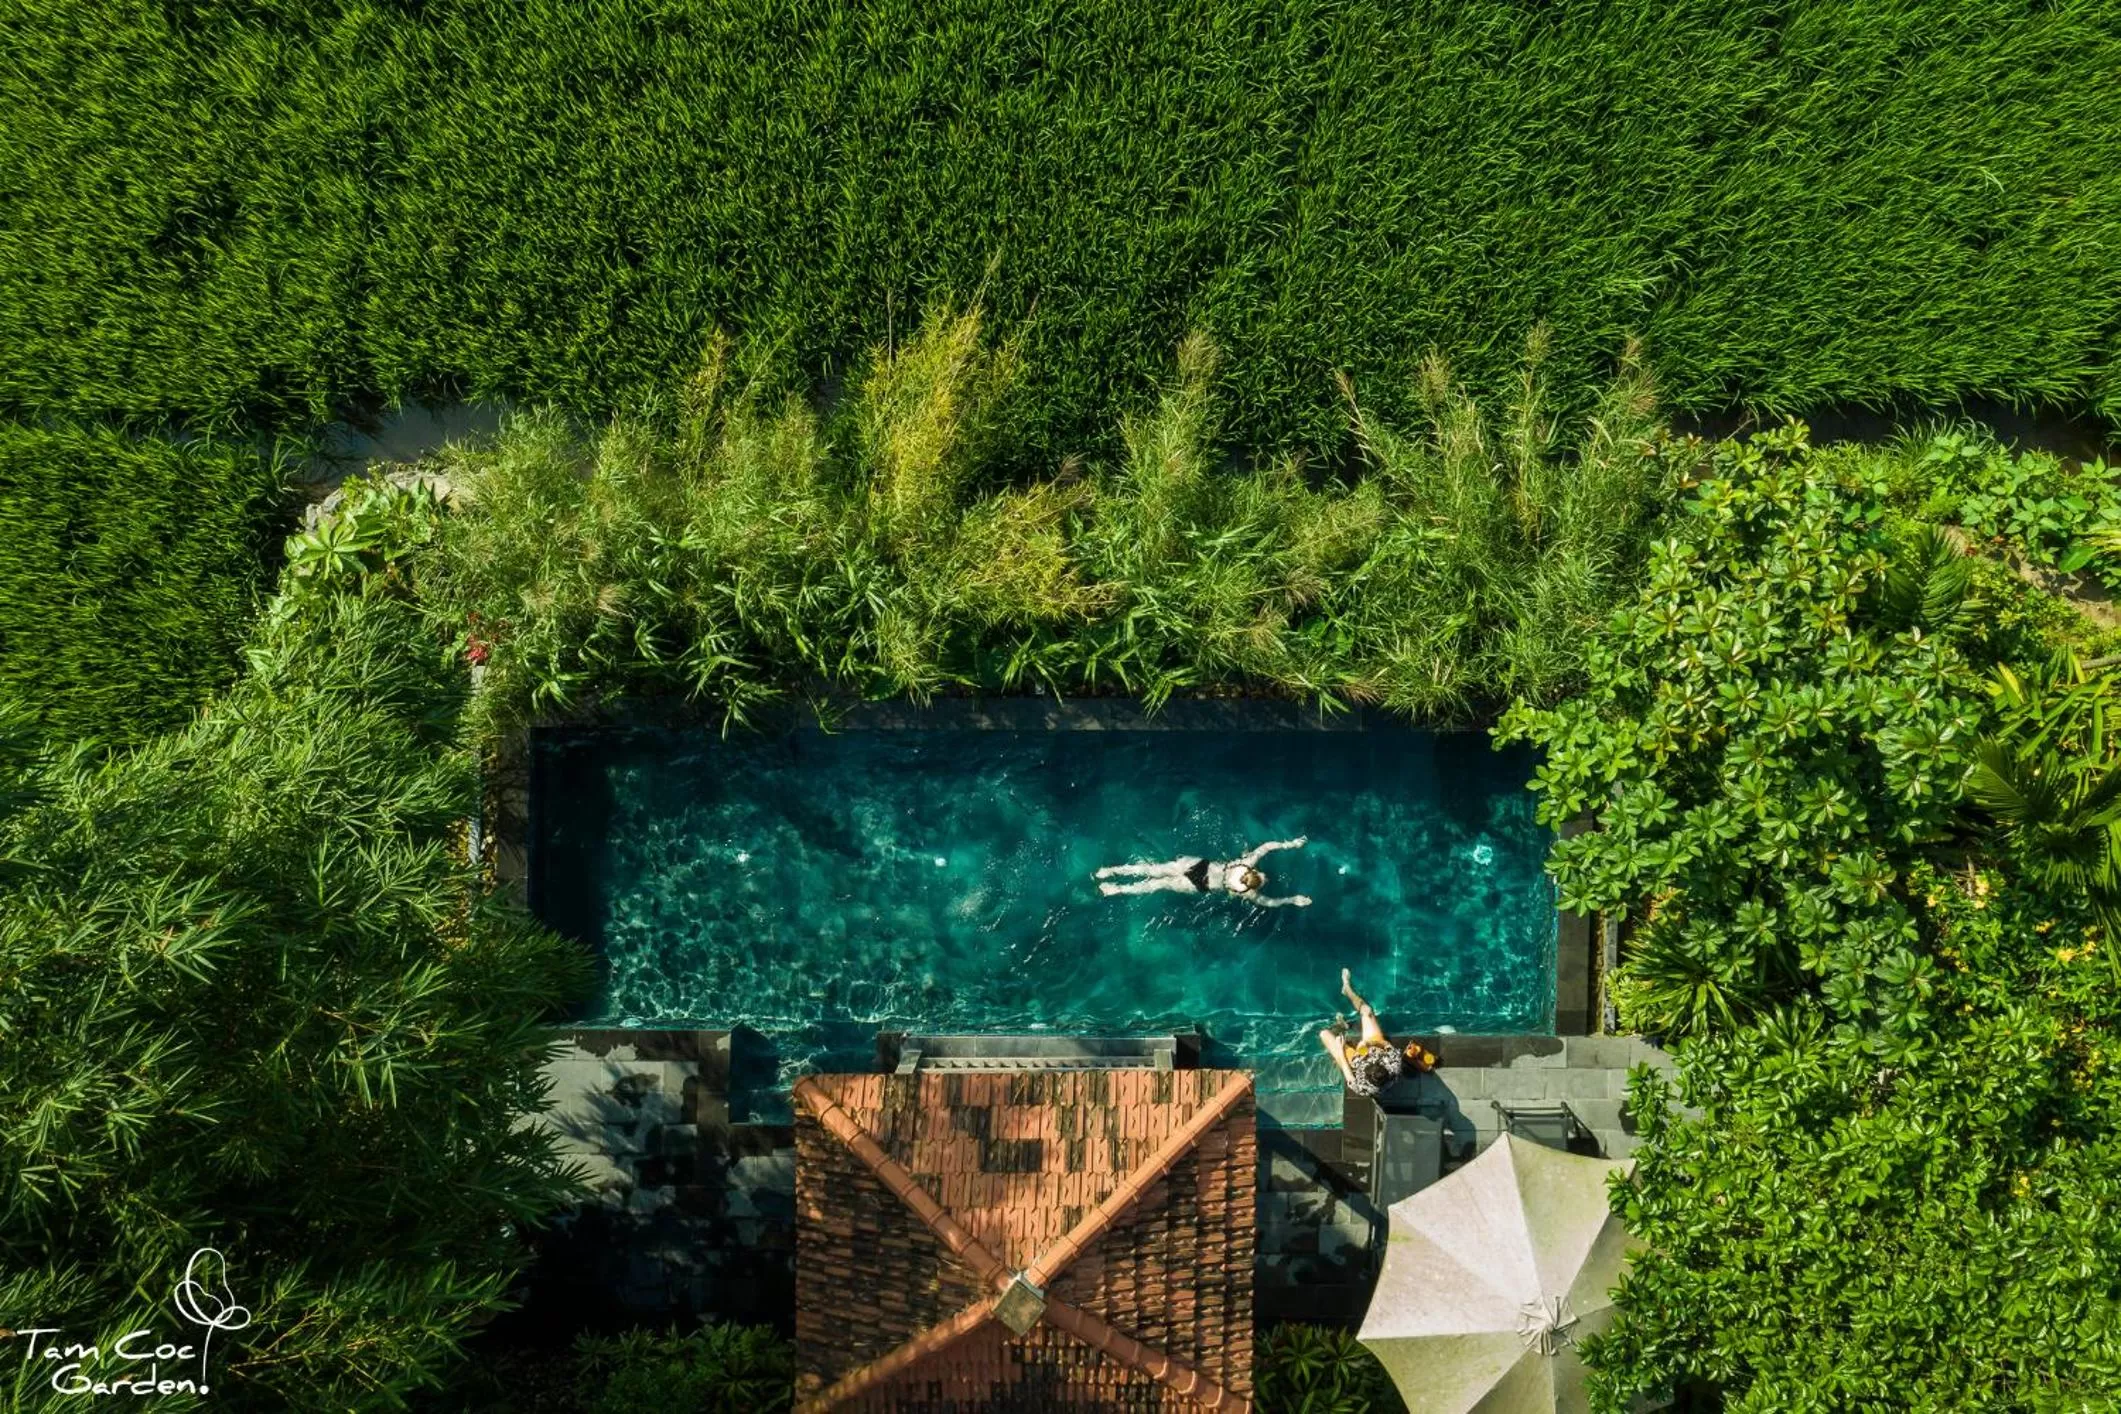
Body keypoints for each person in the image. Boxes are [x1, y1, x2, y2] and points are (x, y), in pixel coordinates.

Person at [1094, 836, 1311, 907]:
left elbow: (1267, 846)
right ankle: (1116, 890)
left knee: (1153, 869)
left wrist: (1290, 844)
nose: (1265, 878)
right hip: (1200, 885)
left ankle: (1109, 871)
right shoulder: (1248, 893)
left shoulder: (1246, 862)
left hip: (1197, 866)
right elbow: (1270, 903)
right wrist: (1293, 899)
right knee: (1156, 884)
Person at [1318, 968, 1432, 1098]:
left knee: (1324, 1034)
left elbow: (1347, 1072)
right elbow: (1386, 1045)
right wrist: (1368, 1042)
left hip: (1354, 1060)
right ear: (1382, 1065)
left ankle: (1341, 1027)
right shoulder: (1394, 1065)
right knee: (1367, 1011)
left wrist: (1340, 1051)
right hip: (1372, 1047)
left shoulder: (1363, 1088)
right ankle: (1347, 989)